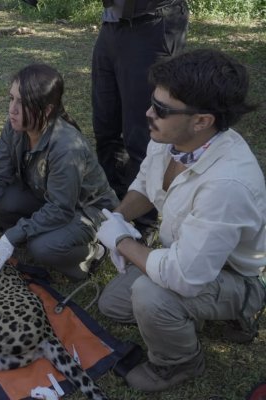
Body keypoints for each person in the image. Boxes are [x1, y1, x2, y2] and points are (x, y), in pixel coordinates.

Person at [96, 49, 266, 392]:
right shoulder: (173, 137)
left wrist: (123, 242)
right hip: (190, 255)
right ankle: (192, 316)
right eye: (152, 102)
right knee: (113, 304)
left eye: (161, 109)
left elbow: (185, 276)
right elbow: (145, 185)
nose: (148, 113)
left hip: (235, 276)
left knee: (150, 296)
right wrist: (117, 218)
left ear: (202, 120)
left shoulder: (227, 184)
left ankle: (179, 363)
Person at [0, 64, 118, 281]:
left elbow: (61, 208)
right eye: (11, 98)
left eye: (23, 103)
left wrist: (12, 235)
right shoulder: (15, 126)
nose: (12, 109)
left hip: (86, 211)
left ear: (46, 110)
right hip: (48, 197)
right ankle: (33, 231)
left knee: (43, 248)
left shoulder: (66, 148)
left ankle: (93, 253)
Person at [92, 0, 189, 233]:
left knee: (142, 134)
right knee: (105, 127)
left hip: (152, 23)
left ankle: (143, 224)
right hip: (112, 24)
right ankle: (111, 209)